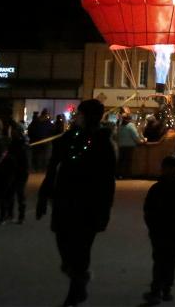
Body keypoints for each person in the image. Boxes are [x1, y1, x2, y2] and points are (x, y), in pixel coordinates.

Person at [37, 99, 116, 307]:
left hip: (89, 202)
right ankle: (76, 276)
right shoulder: (69, 138)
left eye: (82, 114)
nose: (79, 117)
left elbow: (108, 180)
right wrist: (44, 195)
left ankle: (76, 288)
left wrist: (105, 209)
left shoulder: (102, 142)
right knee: (63, 241)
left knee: (81, 248)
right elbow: (53, 166)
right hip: (65, 198)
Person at [143, 154, 175, 306]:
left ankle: (162, 288)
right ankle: (160, 288)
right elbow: (148, 208)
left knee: (166, 260)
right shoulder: (160, 188)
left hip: (170, 230)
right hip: (164, 229)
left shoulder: (174, 189)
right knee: (162, 259)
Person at [2, 121, 30, 225]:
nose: (12, 132)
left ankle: (21, 216)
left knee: (19, 193)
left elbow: (24, 160)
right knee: (11, 193)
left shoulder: (21, 143)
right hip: (13, 171)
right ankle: (10, 215)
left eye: (14, 131)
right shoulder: (13, 142)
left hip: (21, 171)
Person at [117, 114, 142, 179]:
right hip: (129, 146)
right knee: (128, 161)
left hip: (121, 145)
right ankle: (127, 175)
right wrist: (140, 141)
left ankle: (119, 175)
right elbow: (135, 136)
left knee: (121, 161)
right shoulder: (131, 125)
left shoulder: (120, 126)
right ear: (130, 119)